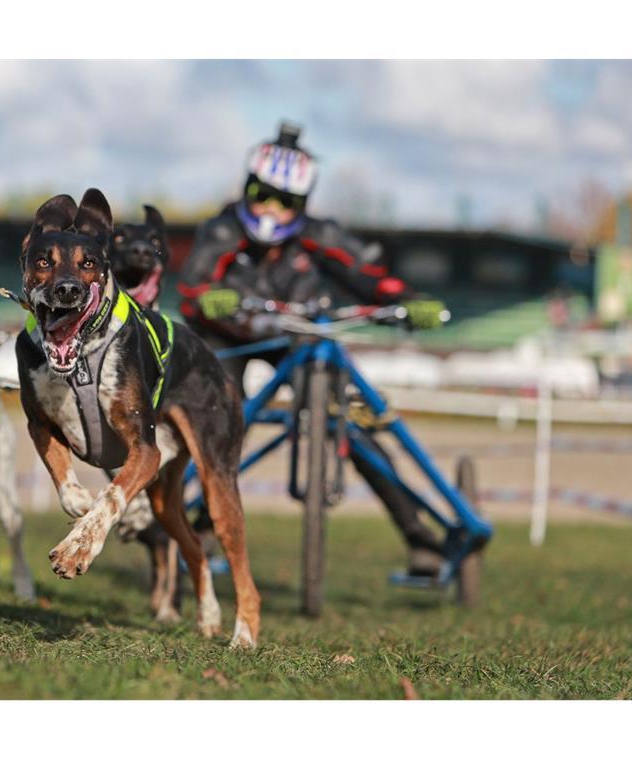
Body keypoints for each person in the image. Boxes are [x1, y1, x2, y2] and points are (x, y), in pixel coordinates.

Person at [177, 122, 447, 576]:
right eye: (263, 194)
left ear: (302, 204)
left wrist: (410, 303)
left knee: (354, 425)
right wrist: (206, 299)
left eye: (286, 201)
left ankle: (419, 535)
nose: (272, 208)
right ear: (248, 188)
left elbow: (371, 275)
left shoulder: (319, 235)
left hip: (297, 338)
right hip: (227, 338)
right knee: (222, 416)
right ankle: (204, 525)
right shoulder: (221, 231)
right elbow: (191, 288)